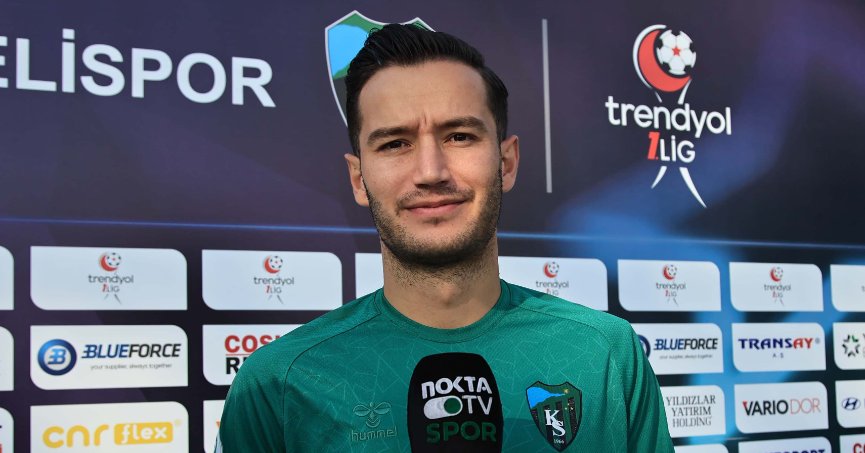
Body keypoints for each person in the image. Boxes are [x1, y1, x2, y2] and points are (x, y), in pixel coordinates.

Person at [217, 24, 673, 452]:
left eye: (459, 136)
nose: (431, 171)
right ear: (358, 179)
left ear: (507, 162)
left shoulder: (607, 353)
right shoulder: (275, 385)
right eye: (395, 143)